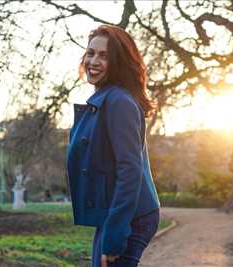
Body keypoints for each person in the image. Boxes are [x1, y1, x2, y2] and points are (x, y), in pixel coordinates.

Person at [66, 24, 160, 267]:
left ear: (118, 62)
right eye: (90, 53)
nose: (93, 61)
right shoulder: (106, 99)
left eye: (104, 56)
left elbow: (130, 171)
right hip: (113, 213)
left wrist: (115, 235)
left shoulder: (119, 102)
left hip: (131, 217)